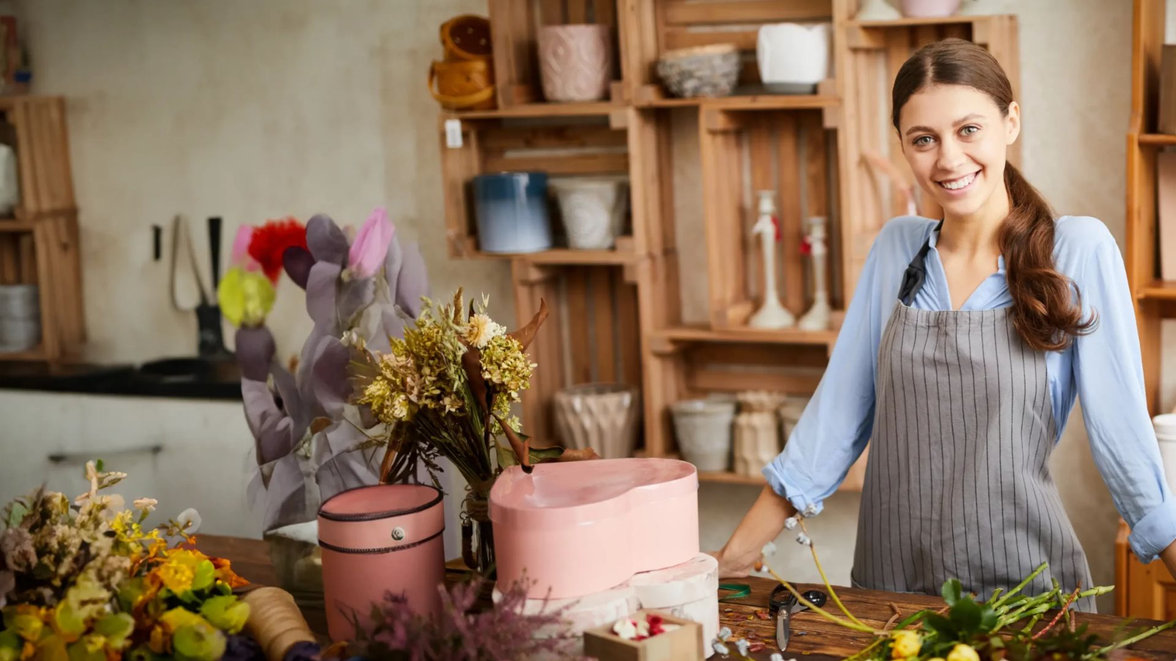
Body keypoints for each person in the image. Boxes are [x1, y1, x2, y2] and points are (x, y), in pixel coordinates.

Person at [712, 38, 1176, 611]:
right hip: (889, 596)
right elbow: (835, 421)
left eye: (969, 130)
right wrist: (730, 558)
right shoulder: (896, 249)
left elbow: (1123, 440)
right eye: (924, 139)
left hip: (1023, 597)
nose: (949, 160)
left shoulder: (1075, 250)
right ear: (904, 146)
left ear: (1010, 122)